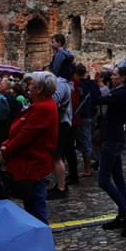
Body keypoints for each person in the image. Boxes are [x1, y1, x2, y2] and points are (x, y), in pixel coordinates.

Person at [0, 72, 58, 224]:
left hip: (32, 166)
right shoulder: (38, 106)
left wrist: (7, 152)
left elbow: (26, 136)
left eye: (31, 85)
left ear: (39, 89)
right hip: (28, 165)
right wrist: (5, 144)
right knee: (33, 211)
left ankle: (42, 246)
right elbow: (20, 132)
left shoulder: (43, 108)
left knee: (37, 214)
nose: (28, 87)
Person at [89, 66, 126, 236]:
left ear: (123, 78)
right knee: (118, 178)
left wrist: (91, 80)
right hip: (114, 137)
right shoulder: (123, 91)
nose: (112, 76)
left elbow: (95, 100)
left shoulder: (122, 93)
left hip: (112, 139)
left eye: (115, 75)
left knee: (103, 180)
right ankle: (121, 216)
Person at [47, 70, 74, 199]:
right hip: (64, 122)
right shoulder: (65, 85)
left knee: (57, 157)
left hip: (62, 123)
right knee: (58, 156)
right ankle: (60, 184)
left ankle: (61, 187)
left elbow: (54, 103)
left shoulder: (62, 85)